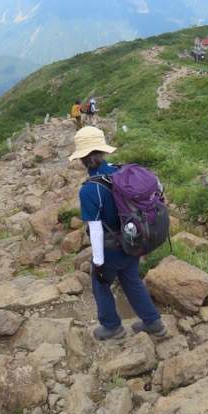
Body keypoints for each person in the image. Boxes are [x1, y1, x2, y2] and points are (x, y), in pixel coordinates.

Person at [69, 127, 166, 340]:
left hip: (110, 249)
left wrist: (99, 262)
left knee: (101, 285)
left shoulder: (89, 189)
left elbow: (95, 230)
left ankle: (112, 327)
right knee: (131, 279)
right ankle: (153, 323)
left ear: (81, 159)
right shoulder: (121, 172)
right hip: (134, 240)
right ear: (103, 152)